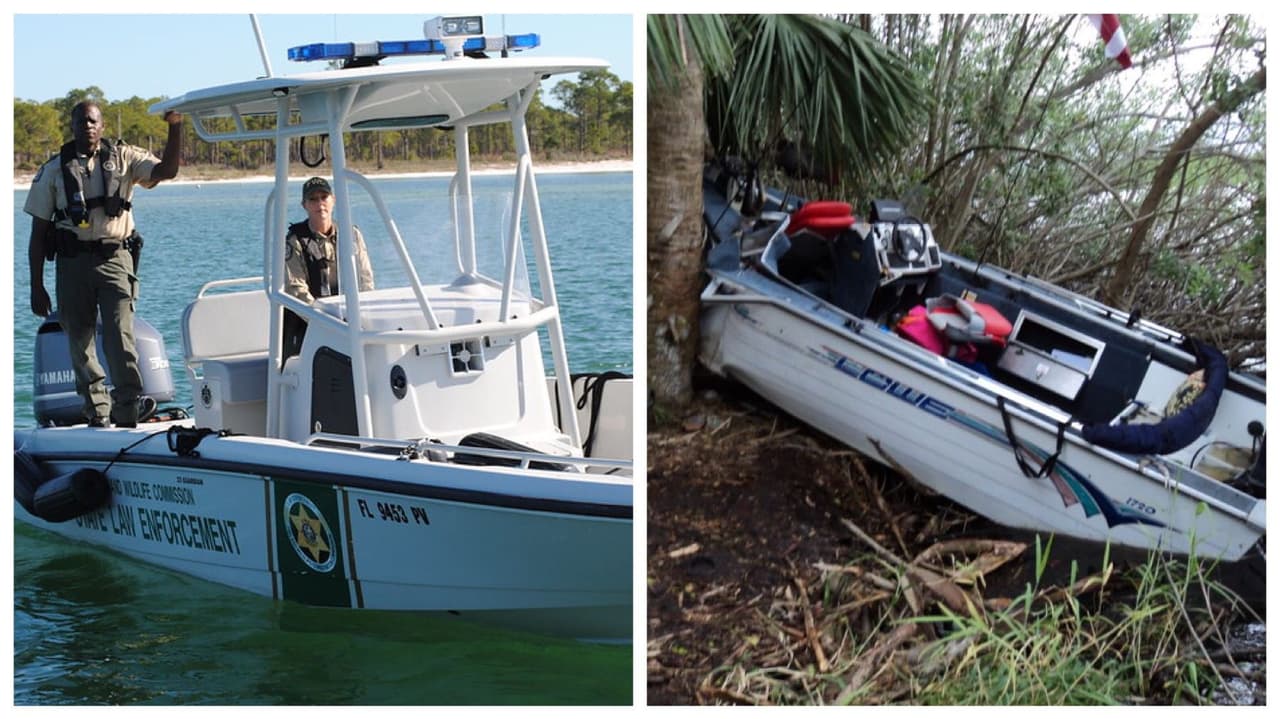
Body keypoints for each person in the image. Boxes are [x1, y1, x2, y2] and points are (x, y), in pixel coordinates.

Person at [26, 100, 183, 428]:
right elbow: (38, 234)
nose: (88, 127)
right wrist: (36, 286)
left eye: (93, 121)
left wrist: (175, 126)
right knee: (79, 342)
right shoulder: (54, 170)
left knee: (120, 337)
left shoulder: (125, 159)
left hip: (115, 260)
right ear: (72, 127)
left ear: (103, 126)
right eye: (81, 122)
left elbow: (167, 171)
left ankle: (127, 412)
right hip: (73, 265)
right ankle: (97, 413)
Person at [282, 177, 375, 356]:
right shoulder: (295, 241)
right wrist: (327, 323)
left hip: (350, 323)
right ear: (304, 205)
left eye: (324, 197)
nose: (320, 204)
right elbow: (296, 291)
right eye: (313, 199)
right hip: (309, 327)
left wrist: (360, 318)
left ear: (333, 200)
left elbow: (366, 281)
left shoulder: (351, 234)